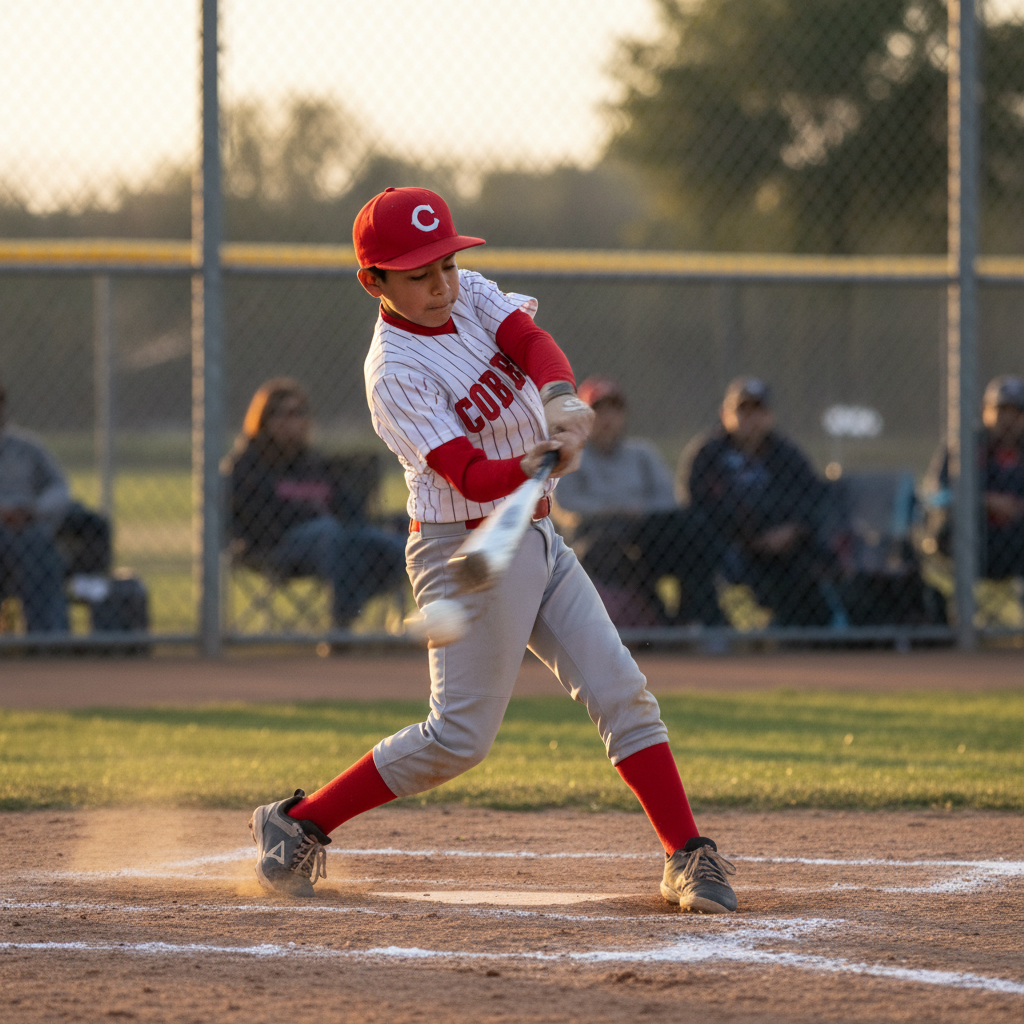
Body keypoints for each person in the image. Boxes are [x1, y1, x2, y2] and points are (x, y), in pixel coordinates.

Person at [247, 186, 738, 914]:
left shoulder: (467, 292)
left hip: (530, 529)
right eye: (418, 274)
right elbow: (468, 474)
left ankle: (686, 853)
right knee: (459, 740)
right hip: (463, 543)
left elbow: (530, 343)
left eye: (445, 262)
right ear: (374, 280)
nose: (441, 283)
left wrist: (562, 396)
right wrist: (538, 457)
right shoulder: (395, 373)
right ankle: (300, 822)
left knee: (622, 691)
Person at [223, 378, 407, 630]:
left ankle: (399, 623)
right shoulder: (248, 465)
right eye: (284, 413)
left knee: (402, 531)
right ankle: (340, 626)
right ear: (265, 419)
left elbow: (347, 507)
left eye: (300, 413)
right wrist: (313, 516)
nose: (294, 421)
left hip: (337, 540)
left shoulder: (312, 462)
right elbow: (258, 520)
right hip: (276, 546)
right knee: (335, 536)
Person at [552, 377, 726, 625]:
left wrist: (640, 510)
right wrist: (616, 509)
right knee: (609, 548)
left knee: (694, 531)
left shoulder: (641, 454)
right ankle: (665, 623)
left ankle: (695, 619)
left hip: (644, 532)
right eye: (598, 411)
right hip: (595, 536)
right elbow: (567, 505)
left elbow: (669, 500)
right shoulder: (571, 455)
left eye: (614, 410)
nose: (607, 419)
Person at [677, 377, 835, 627]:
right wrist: (747, 536)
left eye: (757, 411)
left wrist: (793, 530)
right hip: (725, 542)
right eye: (742, 410)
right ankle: (710, 626)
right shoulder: (708, 453)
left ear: (770, 416)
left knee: (808, 567)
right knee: (694, 539)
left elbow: (811, 499)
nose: (750, 419)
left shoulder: (786, 454)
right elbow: (695, 504)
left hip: (780, 543)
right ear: (725, 414)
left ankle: (798, 627)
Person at [922, 374, 1024, 580]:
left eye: (1016, 412)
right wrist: (986, 502)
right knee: (945, 528)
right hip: (974, 538)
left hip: (1016, 539)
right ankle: (959, 602)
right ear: (986, 411)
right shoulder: (965, 447)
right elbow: (938, 496)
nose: (1008, 419)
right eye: (1001, 410)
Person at [0, 379, 71, 633]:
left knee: (36, 547)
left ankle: (47, 639)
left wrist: (34, 510)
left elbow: (60, 489)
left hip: (27, 528)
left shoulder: (27, 448)